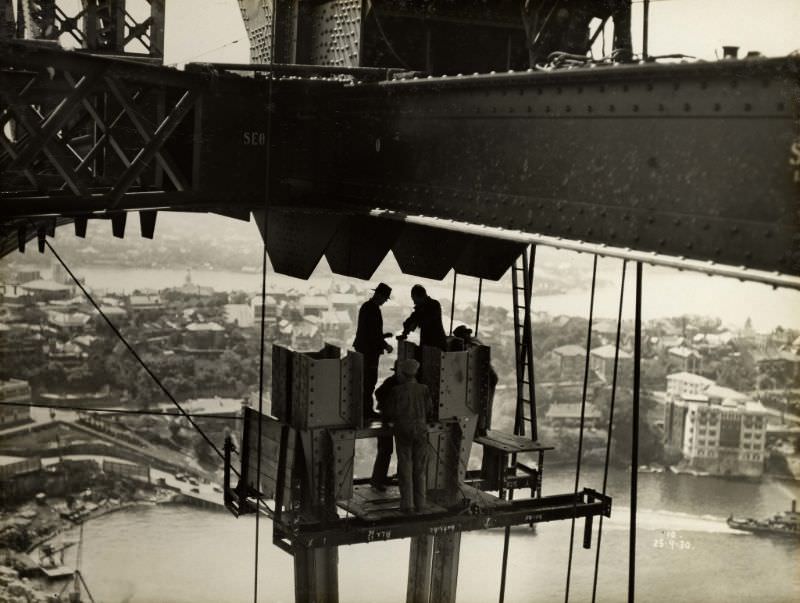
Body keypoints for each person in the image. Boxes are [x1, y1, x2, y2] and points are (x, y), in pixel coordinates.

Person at [382, 358, 432, 513]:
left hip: (403, 431)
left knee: (405, 467)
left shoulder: (396, 391)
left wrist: (389, 421)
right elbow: (429, 409)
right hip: (421, 431)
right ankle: (421, 504)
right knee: (420, 469)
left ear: (403, 374)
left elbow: (389, 412)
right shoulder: (424, 389)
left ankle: (407, 505)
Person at [353, 282, 394, 422]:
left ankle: (366, 410)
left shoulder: (368, 307)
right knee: (369, 381)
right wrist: (386, 345)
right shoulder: (372, 309)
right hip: (369, 351)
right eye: (385, 298)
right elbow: (372, 334)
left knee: (367, 381)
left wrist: (383, 336)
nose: (384, 301)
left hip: (365, 348)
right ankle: (367, 412)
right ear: (379, 295)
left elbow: (370, 331)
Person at [453, 324, 499, 433]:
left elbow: (469, 355)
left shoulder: (472, 344)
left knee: (481, 403)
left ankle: (481, 427)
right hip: (486, 376)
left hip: (486, 377)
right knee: (483, 403)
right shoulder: (475, 341)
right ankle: (482, 427)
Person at [369, 362, 401, 491]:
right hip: (389, 418)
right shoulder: (394, 382)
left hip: (389, 417)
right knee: (386, 450)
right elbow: (379, 393)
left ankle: (379, 479)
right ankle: (378, 480)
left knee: (385, 450)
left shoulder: (392, 381)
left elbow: (378, 393)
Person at [398, 285, 447, 351]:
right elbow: (411, 319)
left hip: (437, 344)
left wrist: (414, 323)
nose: (414, 302)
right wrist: (405, 332)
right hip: (427, 343)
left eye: (415, 299)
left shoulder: (434, 305)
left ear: (421, 296)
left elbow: (426, 320)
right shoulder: (420, 307)